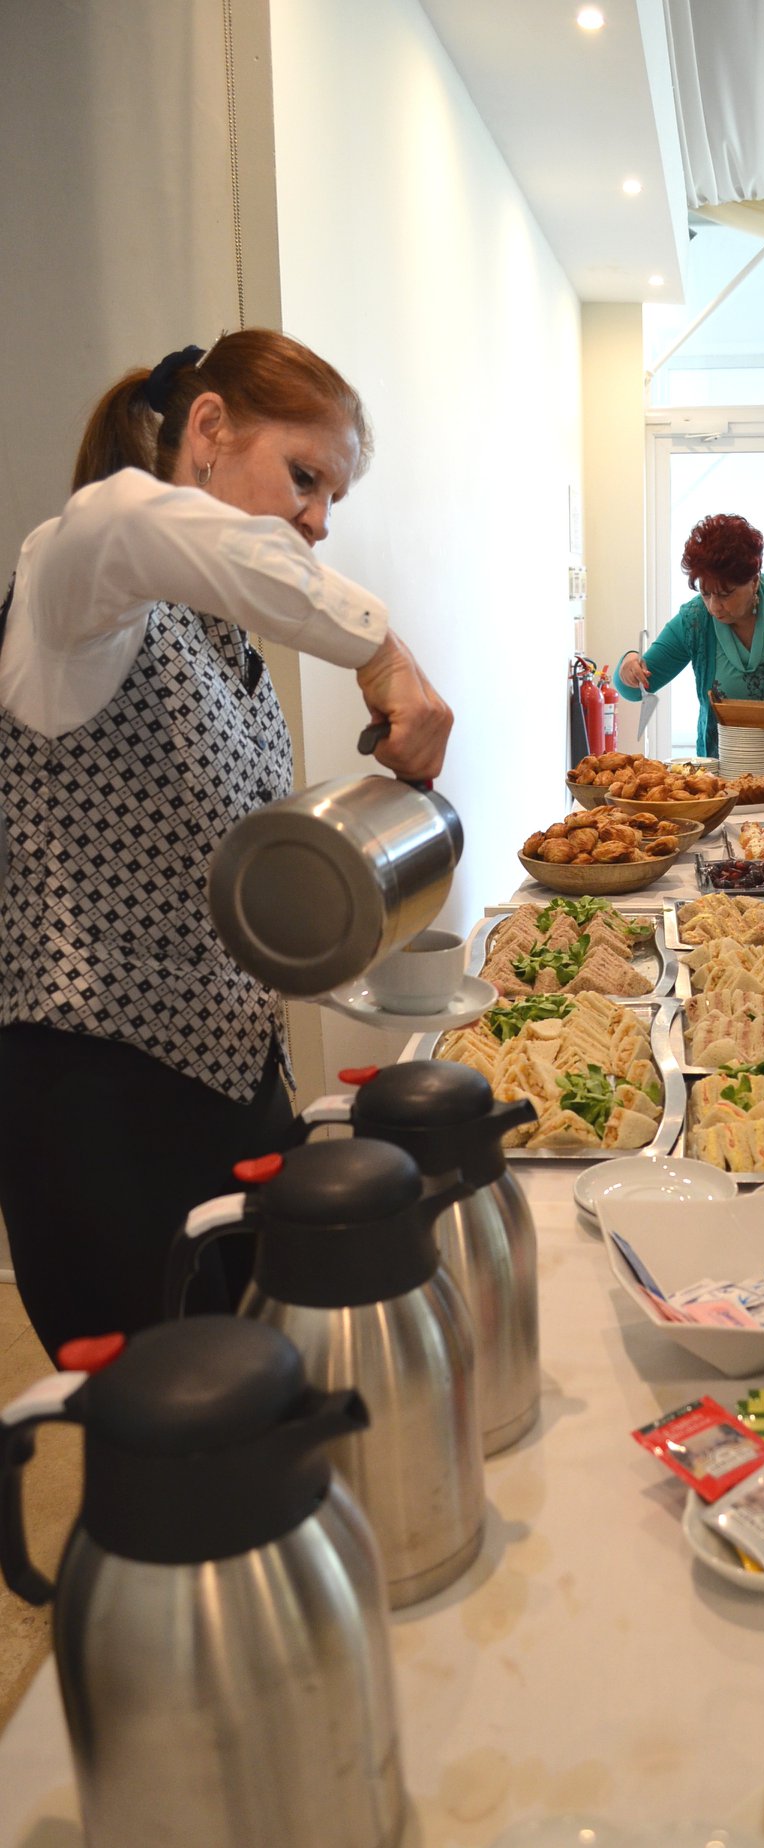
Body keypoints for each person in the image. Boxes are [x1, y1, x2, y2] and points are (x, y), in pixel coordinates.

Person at [0, 331, 453, 1357]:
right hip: (100, 1112)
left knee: (260, 1377)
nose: (318, 520)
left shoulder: (232, 649)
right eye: (304, 477)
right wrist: (380, 650)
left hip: (239, 1092)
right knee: (164, 1411)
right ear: (206, 429)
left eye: (333, 497)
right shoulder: (75, 598)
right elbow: (127, 518)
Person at [614, 513, 764, 758]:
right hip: (727, 765)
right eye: (705, 593)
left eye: (725, 594)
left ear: (754, 580)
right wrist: (628, 666)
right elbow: (635, 690)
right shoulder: (694, 620)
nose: (714, 607)